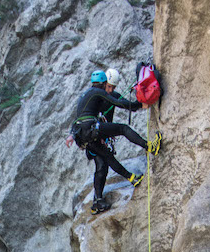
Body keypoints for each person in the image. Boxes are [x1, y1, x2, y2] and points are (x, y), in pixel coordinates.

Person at [65, 69, 162, 214]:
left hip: (85, 134)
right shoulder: (98, 92)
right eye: (108, 86)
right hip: (93, 130)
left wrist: (72, 135)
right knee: (122, 129)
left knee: (104, 161)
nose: (109, 89)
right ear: (104, 84)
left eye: (112, 87)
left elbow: (81, 114)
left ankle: (102, 199)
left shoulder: (86, 94)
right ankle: (150, 147)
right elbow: (119, 103)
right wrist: (140, 105)